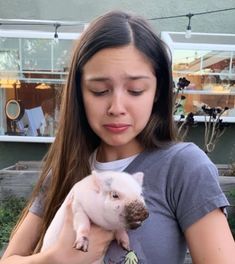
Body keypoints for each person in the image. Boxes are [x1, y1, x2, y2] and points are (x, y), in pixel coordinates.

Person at [1, 10, 235, 264]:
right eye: (99, 90)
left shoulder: (183, 168)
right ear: (79, 94)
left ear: (157, 92)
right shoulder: (66, 170)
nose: (116, 107)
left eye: (135, 90)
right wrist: (56, 258)